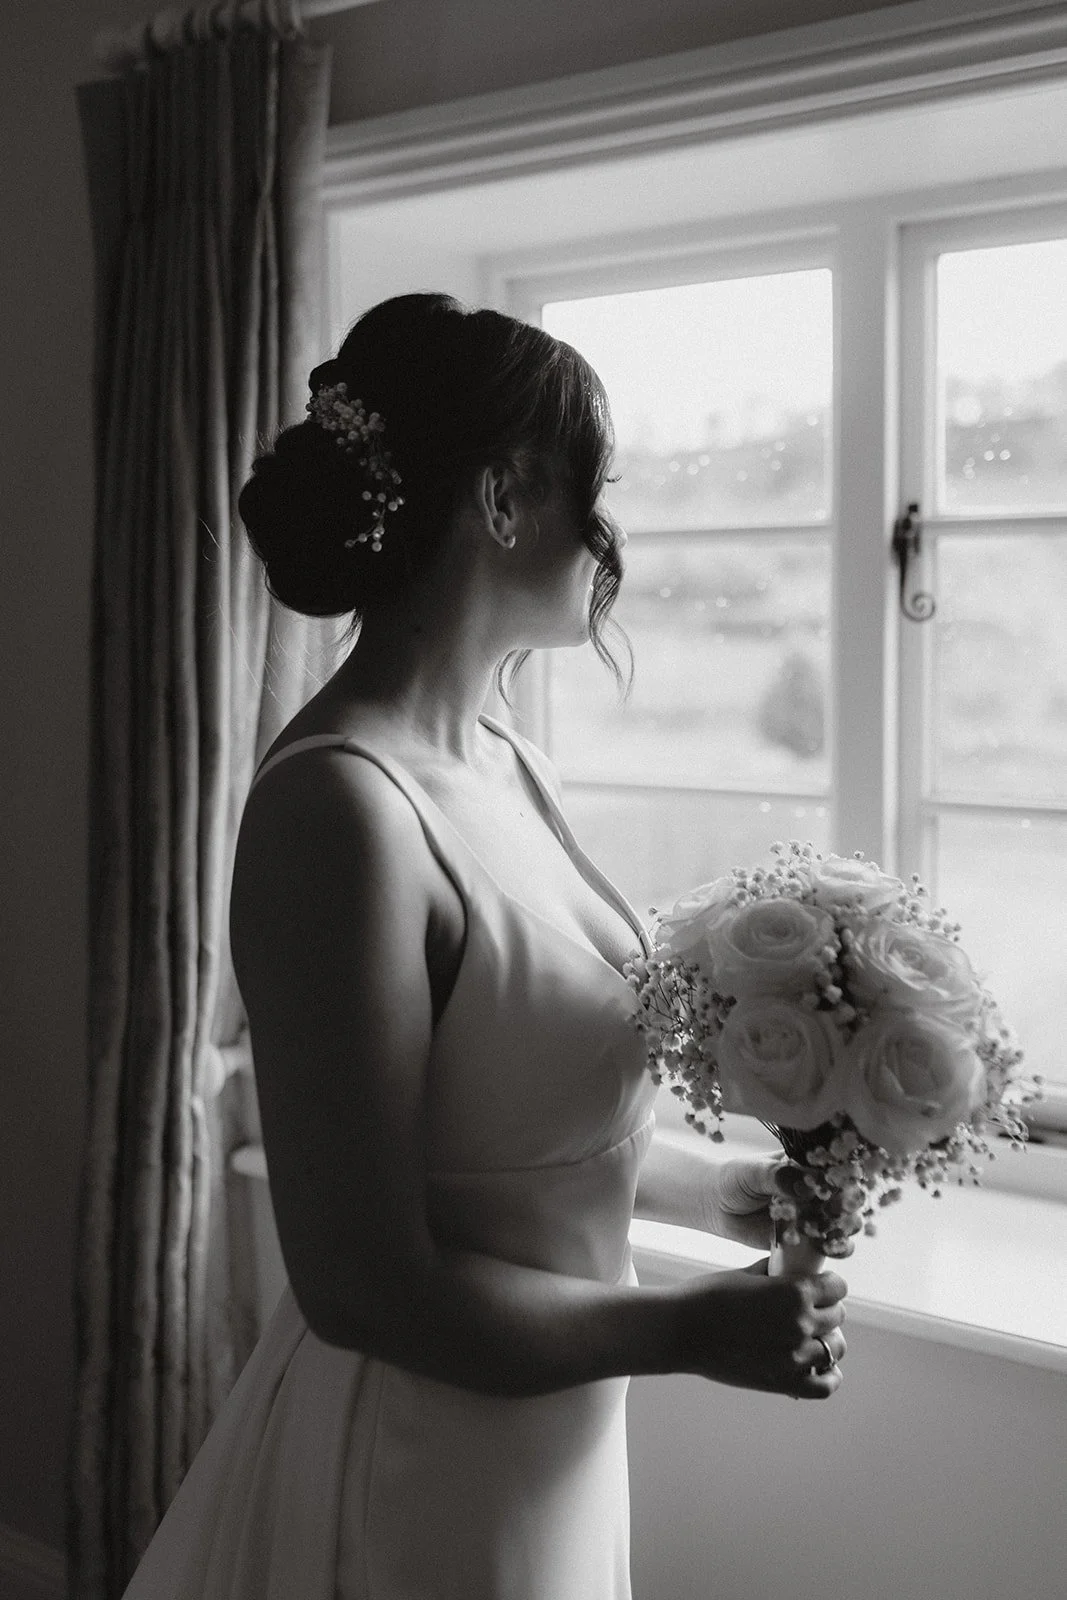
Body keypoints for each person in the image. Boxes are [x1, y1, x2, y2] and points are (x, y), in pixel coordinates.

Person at [120, 292, 847, 1600]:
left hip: (550, 1446)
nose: (607, 539)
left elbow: (509, 1125)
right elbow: (363, 1286)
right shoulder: (340, 810)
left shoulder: (509, 756)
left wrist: (712, 1191)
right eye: (591, 491)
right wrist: (689, 1325)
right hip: (412, 1470)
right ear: (506, 496)